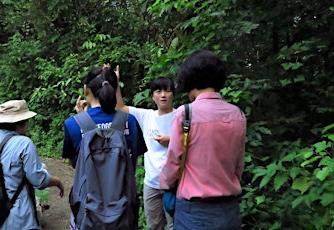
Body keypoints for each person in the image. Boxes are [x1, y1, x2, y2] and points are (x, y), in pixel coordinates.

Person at [159, 50, 247, 230]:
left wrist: (166, 185)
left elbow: (174, 160)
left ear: (190, 81)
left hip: (195, 212)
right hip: (230, 209)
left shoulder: (186, 114)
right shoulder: (237, 114)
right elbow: (238, 165)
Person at [63, 66, 146, 229]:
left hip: (88, 214)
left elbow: (75, 165)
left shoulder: (73, 124)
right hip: (124, 212)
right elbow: (133, 164)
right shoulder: (130, 122)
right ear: (115, 88)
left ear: (86, 90)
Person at [115, 70, 176, 230]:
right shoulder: (146, 116)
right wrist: (115, 83)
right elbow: (120, 107)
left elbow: (192, 142)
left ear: (173, 94)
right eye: (158, 91)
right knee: (154, 225)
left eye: (167, 90)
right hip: (151, 183)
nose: (163, 95)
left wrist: (171, 140)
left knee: (175, 226)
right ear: (152, 96)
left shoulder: (181, 116)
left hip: (175, 183)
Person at [0, 99, 64, 230]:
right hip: (20, 216)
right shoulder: (24, 143)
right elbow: (38, 180)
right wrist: (58, 181)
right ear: (20, 122)